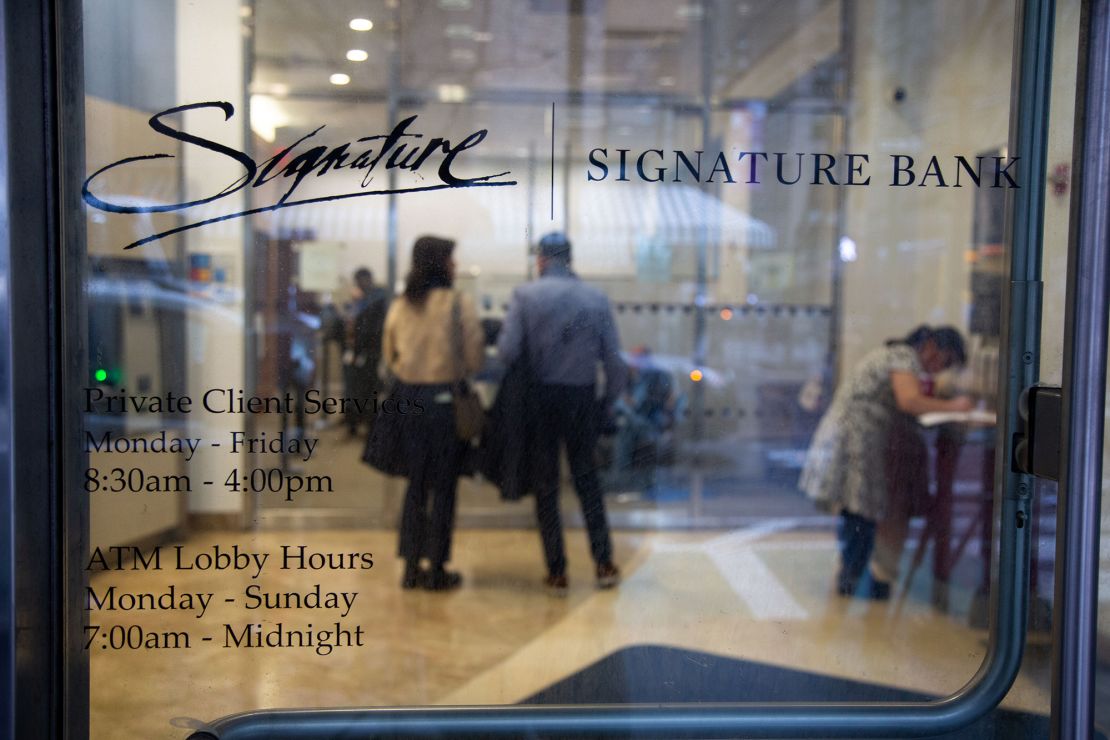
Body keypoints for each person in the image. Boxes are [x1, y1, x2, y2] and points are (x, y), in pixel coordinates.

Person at [800, 325, 973, 599]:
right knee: (859, 510)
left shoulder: (894, 354)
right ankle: (852, 577)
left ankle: (852, 575)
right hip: (855, 437)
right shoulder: (903, 356)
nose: (939, 370)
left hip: (853, 435)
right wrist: (956, 408)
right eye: (945, 361)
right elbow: (909, 401)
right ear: (930, 346)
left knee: (858, 509)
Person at [497, 232, 627, 593]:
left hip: (541, 399)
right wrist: (608, 401)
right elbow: (614, 361)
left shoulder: (526, 296)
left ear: (541, 259)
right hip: (582, 397)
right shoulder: (596, 298)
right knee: (587, 480)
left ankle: (557, 571)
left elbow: (507, 351)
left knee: (546, 485)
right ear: (570, 259)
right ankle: (604, 563)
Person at [382, 236, 483, 591]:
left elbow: (389, 354)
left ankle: (410, 567)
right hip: (444, 405)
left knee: (415, 486)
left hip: (408, 401)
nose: (456, 266)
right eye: (452, 260)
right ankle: (437, 568)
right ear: (440, 263)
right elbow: (474, 357)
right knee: (443, 488)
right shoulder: (458, 304)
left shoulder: (402, 304)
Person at [344, 267, 390, 436]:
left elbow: (367, 328)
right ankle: (362, 423)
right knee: (364, 390)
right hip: (367, 351)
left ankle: (367, 424)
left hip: (370, 352)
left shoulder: (374, 300)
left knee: (366, 390)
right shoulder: (371, 298)